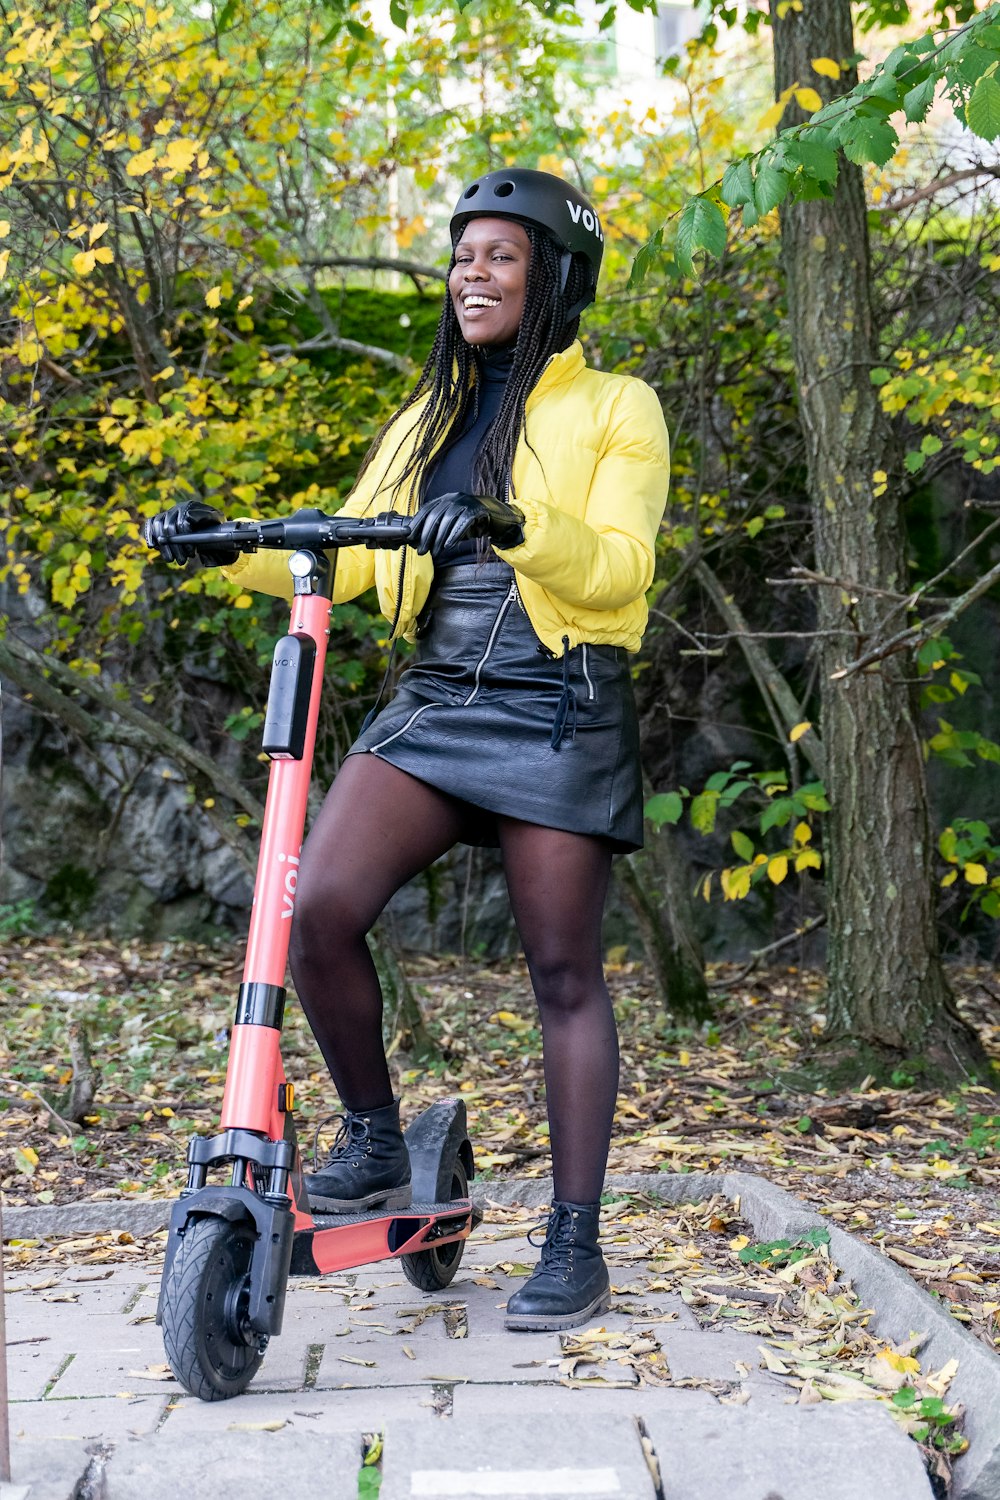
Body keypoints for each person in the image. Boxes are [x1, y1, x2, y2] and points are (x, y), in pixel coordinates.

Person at [147, 168, 670, 1332]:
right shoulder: (426, 416)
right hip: (438, 701)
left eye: (499, 256)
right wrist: (220, 542)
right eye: (460, 256)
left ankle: (573, 1244)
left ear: (554, 278)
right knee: (312, 908)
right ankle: (375, 1137)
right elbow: (348, 544)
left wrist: (514, 523)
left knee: (563, 973)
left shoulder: (617, 407)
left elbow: (624, 567)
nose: (469, 275)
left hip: (558, 700)